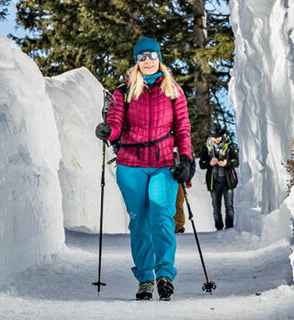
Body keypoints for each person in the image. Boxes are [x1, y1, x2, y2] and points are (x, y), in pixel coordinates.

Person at [95, 37, 194, 301]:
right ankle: (145, 279)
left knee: (162, 217)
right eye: (142, 57)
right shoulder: (124, 92)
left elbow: (183, 129)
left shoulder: (174, 91)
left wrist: (186, 159)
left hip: (163, 164)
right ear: (136, 61)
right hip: (131, 164)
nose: (147, 61)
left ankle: (165, 275)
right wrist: (108, 130)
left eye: (151, 55)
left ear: (159, 57)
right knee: (139, 222)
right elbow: (115, 121)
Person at [198, 124, 239, 230]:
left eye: (218, 136)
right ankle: (219, 228)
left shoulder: (230, 146)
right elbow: (202, 164)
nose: (216, 139)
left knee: (229, 207)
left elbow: (236, 161)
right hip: (214, 182)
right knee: (216, 208)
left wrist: (227, 163)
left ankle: (229, 228)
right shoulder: (206, 147)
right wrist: (210, 163)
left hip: (228, 181)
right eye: (214, 137)